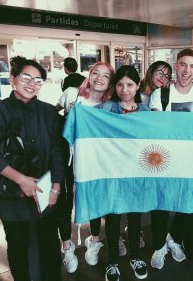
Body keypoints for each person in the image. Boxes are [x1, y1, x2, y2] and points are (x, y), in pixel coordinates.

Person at [0, 56, 65, 280]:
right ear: (12, 79)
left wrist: (56, 187)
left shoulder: (49, 113)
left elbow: (57, 152)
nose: (32, 83)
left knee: (50, 246)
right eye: (26, 77)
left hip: (45, 194)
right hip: (10, 197)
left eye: (38, 80)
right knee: (18, 248)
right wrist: (21, 179)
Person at [149, 48, 193, 269]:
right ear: (176, 66)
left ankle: (173, 238)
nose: (187, 70)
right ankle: (158, 247)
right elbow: (155, 128)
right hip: (163, 160)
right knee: (160, 205)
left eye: (192, 66)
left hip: (190, 161)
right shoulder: (161, 95)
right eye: (183, 64)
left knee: (187, 203)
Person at [56, 61, 114, 272]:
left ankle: (95, 239)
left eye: (105, 76)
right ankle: (67, 245)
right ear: (89, 75)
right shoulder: (72, 93)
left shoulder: (110, 104)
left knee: (94, 198)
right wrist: (66, 113)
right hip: (67, 157)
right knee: (65, 201)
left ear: (110, 82)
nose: (99, 78)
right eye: (95, 73)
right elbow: (53, 117)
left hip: (95, 160)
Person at [99, 65, 150, 281]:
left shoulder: (146, 111)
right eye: (120, 84)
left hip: (137, 173)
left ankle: (135, 257)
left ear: (137, 85)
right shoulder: (107, 107)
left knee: (135, 216)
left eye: (130, 84)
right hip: (113, 172)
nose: (125, 89)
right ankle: (112, 262)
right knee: (112, 217)